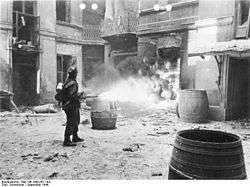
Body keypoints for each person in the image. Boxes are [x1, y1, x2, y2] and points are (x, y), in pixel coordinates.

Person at [62, 66, 84, 147]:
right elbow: (71, 96)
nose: (76, 74)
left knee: (76, 121)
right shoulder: (72, 83)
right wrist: (79, 95)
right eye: (75, 73)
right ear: (73, 74)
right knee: (71, 122)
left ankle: (75, 136)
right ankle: (67, 140)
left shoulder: (68, 81)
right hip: (70, 105)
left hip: (71, 104)